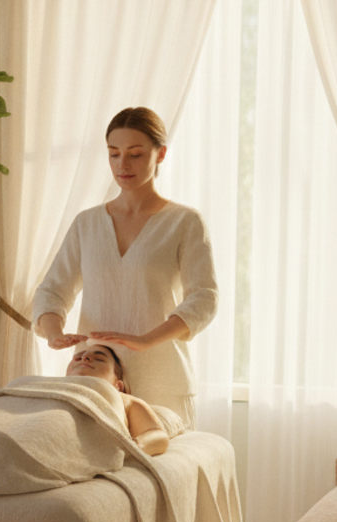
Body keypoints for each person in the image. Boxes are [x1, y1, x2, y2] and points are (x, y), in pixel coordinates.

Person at [31, 106, 217, 427]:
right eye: (114, 154)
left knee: (161, 468)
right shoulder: (87, 224)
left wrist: (146, 340)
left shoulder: (184, 222)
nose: (122, 165)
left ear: (160, 155)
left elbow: (204, 299)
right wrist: (53, 334)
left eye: (135, 154)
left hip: (163, 382)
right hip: (98, 387)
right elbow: (52, 290)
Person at [65, 342, 175, 456]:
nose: (84, 358)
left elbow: (158, 436)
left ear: (118, 385)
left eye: (99, 359)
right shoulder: (49, 388)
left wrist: (134, 447)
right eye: (78, 358)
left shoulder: (124, 400)